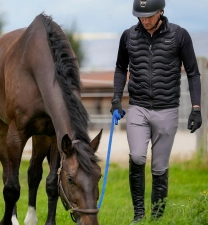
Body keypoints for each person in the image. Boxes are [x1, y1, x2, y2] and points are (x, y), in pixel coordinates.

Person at [110, 0, 202, 223]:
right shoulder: (128, 36)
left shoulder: (179, 36)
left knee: (160, 166)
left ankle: (157, 218)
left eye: (150, 15)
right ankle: (139, 215)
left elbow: (193, 73)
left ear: (161, 11)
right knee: (137, 157)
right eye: (141, 15)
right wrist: (115, 100)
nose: (145, 19)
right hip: (138, 107)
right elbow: (121, 68)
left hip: (167, 110)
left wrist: (196, 108)